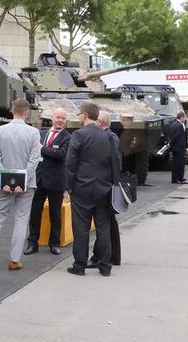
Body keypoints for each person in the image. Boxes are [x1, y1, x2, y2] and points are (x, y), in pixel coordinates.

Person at [0, 99, 42, 271]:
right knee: (21, 221)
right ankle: (14, 260)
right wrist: (24, 178)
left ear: (12, 111)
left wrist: (4, 178)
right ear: (27, 112)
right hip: (27, 185)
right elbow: (34, 159)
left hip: (2, 184)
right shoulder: (34, 133)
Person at [65, 102, 114, 277]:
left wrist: (69, 187)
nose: (79, 117)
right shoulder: (107, 136)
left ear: (85, 115)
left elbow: (71, 163)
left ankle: (80, 265)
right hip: (104, 188)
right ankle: (105, 266)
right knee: (103, 227)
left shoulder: (79, 135)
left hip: (82, 188)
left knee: (81, 228)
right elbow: (113, 162)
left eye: (79, 114)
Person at [25, 107, 70, 256]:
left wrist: (42, 149)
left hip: (56, 182)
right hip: (39, 180)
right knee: (35, 212)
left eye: (63, 118)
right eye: (57, 117)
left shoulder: (67, 138)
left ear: (65, 120)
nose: (60, 120)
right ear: (52, 117)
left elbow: (61, 154)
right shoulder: (41, 133)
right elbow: (32, 151)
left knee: (55, 214)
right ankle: (32, 243)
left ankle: (54, 243)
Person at [89, 110, 122, 268]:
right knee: (110, 223)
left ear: (100, 123)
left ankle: (100, 256)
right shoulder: (113, 137)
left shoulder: (108, 137)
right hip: (111, 185)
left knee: (104, 224)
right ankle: (114, 256)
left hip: (105, 186)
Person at [167, 111, 188, 184]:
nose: (185, 119)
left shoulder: (173, 124)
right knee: (180, 163)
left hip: (175, 147)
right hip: (179, 147)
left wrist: (170, 144)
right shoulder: (179, 125)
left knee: (175, 163)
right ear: (181, 117)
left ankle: (175, 178)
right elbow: (177, 137)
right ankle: (179, 178)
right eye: (184, 117)